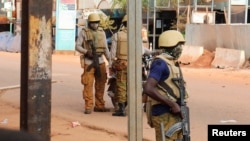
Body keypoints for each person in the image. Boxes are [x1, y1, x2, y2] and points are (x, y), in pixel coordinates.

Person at [143, 30, 189, 141]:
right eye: (179, 45)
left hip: (176, 112)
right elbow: (148, 88)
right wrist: (171, 104)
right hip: (164, 113)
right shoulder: (160, 64)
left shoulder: (172, 62)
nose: (181, 49)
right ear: (171, 45)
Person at [75, 13, 111, 114]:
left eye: (96, 22)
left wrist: (110, 61)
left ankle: (99, 105)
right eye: (92, 23)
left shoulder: (102, 32)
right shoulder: (84, 32)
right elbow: (77, 46)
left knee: (101, 84)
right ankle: (88, 106)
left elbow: (105, 49)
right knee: (88, 84)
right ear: (89, 23)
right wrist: (86, 52)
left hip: (100, 61)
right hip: (89, 61)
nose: (95, 24)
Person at [109, 14, 128, 116]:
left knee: (121, 86)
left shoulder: (117, 35)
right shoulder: (137, 35)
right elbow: (142, 52)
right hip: (134, 65)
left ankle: (121, 109)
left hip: (122, 64)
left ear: (124, 24)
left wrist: (111, 65)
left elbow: (113, 53)